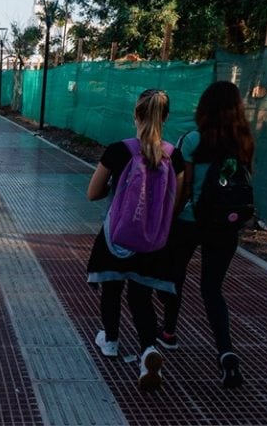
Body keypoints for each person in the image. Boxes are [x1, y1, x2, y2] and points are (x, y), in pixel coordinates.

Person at [86, 89, 185, 392]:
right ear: (165, 117)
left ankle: (111, 340)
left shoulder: (119, 150)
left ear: (136, 115)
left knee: (112, 288)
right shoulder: (174, 155)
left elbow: (93, 192)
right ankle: (148, 350)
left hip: (117, 236)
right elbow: (175, 202)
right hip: (154, 240)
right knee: (141, 298)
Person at [157, 81, 254, 389]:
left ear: (205, 108)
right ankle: (225, 352)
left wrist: (166, 223)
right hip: (226, 225)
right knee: (212, 290)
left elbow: (183, 191)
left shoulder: (192, 140)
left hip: (189, 221)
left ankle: (169, 332)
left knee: (174, 277)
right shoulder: (244, 142)